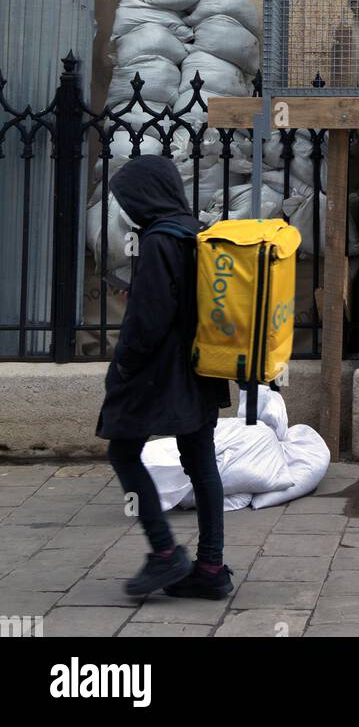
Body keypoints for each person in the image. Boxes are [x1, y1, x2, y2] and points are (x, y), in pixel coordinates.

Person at [95, 155, 233, 599]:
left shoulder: (158, 240)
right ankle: (211, 568)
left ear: (146, 196)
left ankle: (165, 554)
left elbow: (149, 319)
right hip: (202, 365)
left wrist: (123, 366)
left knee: (123, 451)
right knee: (200, 462)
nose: (128, 208)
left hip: (161, 372)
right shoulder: (196, 232)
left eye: (129, 199)